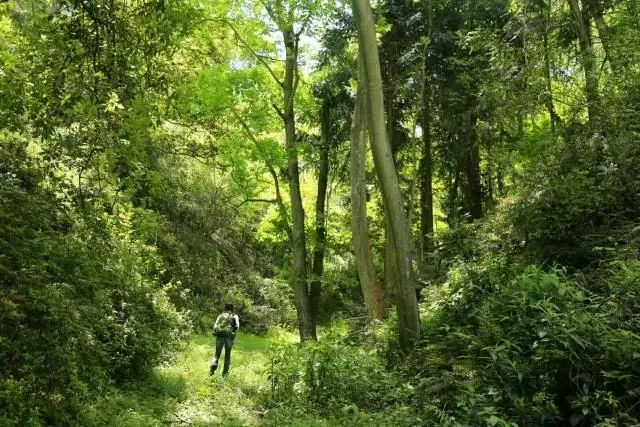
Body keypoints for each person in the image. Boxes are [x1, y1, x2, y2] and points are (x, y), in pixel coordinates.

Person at [209, 303, 239, 376]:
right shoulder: (234, 316)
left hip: (220, 337)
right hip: (229, 337)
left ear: (225, 308)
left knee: (217, 354)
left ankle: (214, 363)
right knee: (227, 356)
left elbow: (215, 326)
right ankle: (225, 373)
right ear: (232, 308)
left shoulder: (221, 315)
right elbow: (237, 327)